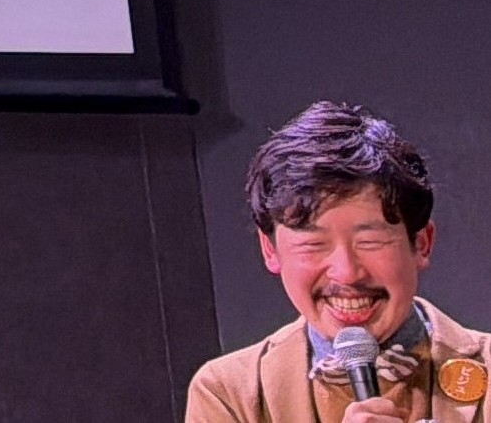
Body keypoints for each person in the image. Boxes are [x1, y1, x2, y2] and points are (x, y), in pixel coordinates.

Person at [188, 101, 491, 422]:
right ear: (271, 250)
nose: (346, 273)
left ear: (421, 243)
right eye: (313, 244)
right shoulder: (229, 393)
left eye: (371, 242)